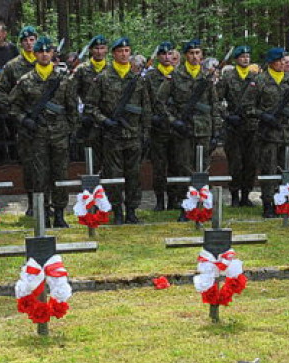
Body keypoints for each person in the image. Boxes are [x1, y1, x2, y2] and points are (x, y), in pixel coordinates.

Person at [8, 36, 77, 228]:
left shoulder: (64, 80)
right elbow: (13, 107)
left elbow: (72, 108)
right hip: (37, 135)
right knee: (40, 176)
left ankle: (60, 213)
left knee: (60, 174)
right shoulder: (26, 81)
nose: (45, 55)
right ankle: (43, 213)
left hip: (59, 134)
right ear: (35, 54)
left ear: (52, 53)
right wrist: (25, 120)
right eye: (40, 51)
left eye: (48, 51)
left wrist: (71, 132)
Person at [87, 37, 149, 224]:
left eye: (127, 51)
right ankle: (117, 211)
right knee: (112, 175)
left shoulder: (138, 80)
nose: (124, 54)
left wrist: (146, 133)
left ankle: (131, 210)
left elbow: (146, 108)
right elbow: (90, 106)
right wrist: (104, 121)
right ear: (113, 53)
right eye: (120, 51)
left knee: (134, 175)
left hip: (133, 135)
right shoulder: (103, 78)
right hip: (112, 136)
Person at [157, 38, 221, 221]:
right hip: (183, 131)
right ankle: (186, 208)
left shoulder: (207, 78)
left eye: (197, 53)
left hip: (204, 131)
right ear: (186, 55)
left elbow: (214, 105)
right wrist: (173, 122)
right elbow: (160, 103)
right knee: (184, 170)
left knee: (203, 170)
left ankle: (203, 207)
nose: (194, 57)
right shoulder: (175, 76)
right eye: (191, 53)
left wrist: (216, 132)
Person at [251, 46, 289, 218]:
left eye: (283, 60)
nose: (282, 63)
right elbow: (249, 107)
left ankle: (283, 203)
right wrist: (264, 116)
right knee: (269, 170)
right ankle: (268, 204)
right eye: (279, 61)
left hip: (287, 134)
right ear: (271, 62)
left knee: (285, 171)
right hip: (268, 135)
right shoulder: (260, 80)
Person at [0, 26, 39, 213]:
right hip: (24, 125)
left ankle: (48, 203)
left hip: (47, 124)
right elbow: (0, 93)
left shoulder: (46, 62)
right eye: (25, 40)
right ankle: (31, 202)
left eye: (32, 40)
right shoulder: (12, 66)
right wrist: (15, 113)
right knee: (29, 164)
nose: (29, 44)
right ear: (21, 43)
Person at [218, 45, 259, 207]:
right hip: (233, 127)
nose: (246, 59)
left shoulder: (255, 77)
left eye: (248, 56)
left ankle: (246, 195)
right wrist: (227, 115)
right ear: (236, 59)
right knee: (235, 163)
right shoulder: (228, 77)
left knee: (251, 163)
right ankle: (235, 195)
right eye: (242, 56)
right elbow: (216, 99)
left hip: (251, 126)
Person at [146, 41, 179, 211]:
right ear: (158, 57)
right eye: (163, 54)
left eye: (170, 54)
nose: (167, 57)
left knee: (176, 164)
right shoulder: (150, 77)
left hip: (177, 128)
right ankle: (160, 200)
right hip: (158, 128)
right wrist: (151, 118)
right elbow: (146, 101)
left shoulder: (180, 75)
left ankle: (173, 199)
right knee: (159, 166)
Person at [74, 34, 109, 170]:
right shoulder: (82, 70)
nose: (99, 51)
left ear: (106, 50)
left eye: (102, 48)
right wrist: (79, 115)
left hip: (108, 119)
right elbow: (71, 93)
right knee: (91, 160)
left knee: (110, 159)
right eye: (96, 48)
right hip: (89, 120)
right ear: (90, 50)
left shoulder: (112, 69)